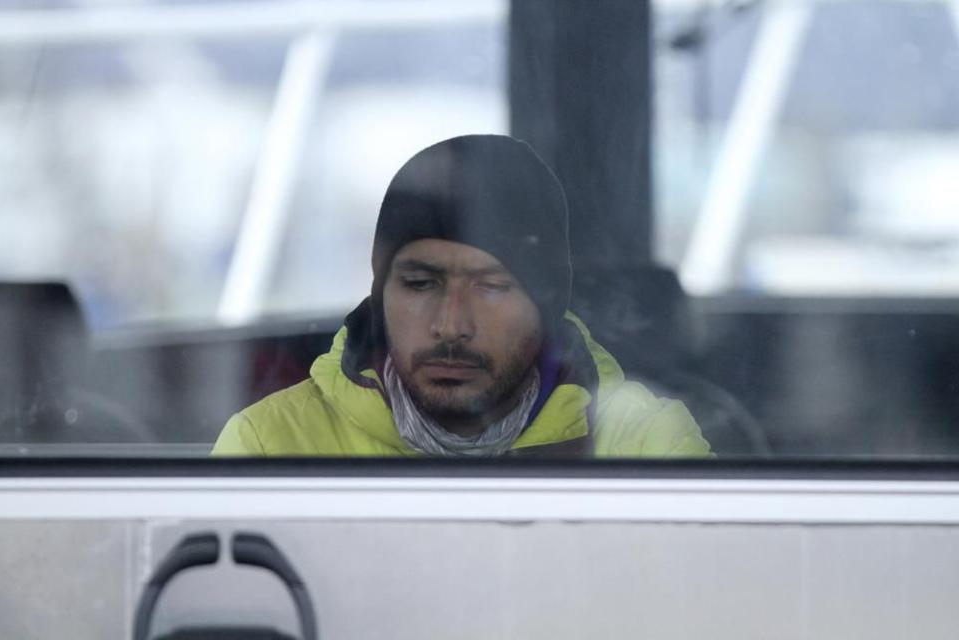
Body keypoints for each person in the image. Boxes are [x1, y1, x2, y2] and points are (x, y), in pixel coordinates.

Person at [213, 134, 710, 457]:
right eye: (419, 284)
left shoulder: (645, 446)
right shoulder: (271, 447)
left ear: (548, 300)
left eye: (492, 287)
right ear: (380, 291)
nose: (451, 325)